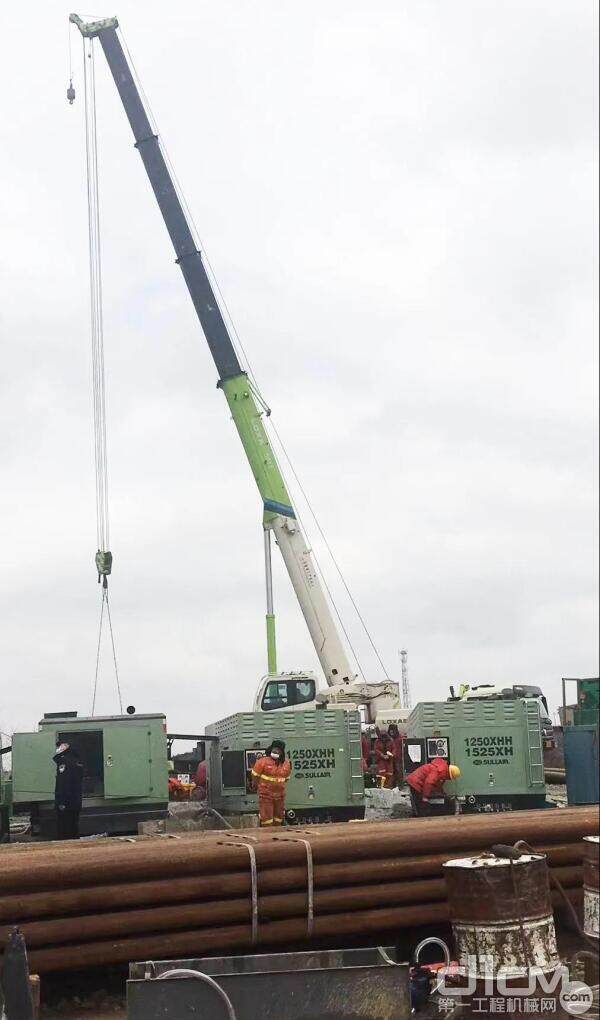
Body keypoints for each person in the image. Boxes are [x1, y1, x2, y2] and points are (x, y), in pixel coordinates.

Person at [251, 739, 291, 827]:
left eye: (278, 750)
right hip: (266, 795)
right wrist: (255, 785)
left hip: (280, 796)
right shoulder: (262, 761)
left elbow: (286, 778)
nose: (275, 751)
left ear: (282, 752)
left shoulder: (286, 763)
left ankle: (277, 836)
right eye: (274, 749)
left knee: (278, 818)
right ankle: (268, 837)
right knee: (267, 820)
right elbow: (255, 775)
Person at [53, 742, 84, 839]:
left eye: (59, 746)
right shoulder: (77, 761)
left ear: (65, 747)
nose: (58, 748)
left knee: (64, 828)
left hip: (66, 801)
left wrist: (61, 802)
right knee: (74, 825)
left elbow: (64, 782)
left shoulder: (64, 761)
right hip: (76, 799)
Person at [388, 723, 404, 787]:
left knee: (399, 772)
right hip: (390, 758)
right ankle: (393, 785)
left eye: (392, 731)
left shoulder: (400, 738)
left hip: (398, 758)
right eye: (390, 731)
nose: (391, 733)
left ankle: (400, 785)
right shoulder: (388, 739)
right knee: (391, 773)